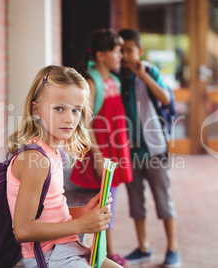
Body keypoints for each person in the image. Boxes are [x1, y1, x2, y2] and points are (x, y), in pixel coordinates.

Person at [6, 65, 122, 268]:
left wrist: (84, 212)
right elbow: (23, 230)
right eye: (59, 108)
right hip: (48, 257)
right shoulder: (36, 159)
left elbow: (49, 212)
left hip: (65, 248)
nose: (70, 118)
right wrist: (80, 225)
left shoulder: (52, 152)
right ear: (36, 110)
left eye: (76, 110)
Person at [69, 29, 133, 267]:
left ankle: (106, 252)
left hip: (115, 150)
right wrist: (96, 156)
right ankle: (102, 254)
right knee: (102, 203)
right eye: (116, 51)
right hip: (101, 153)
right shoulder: (91, 83)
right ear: (100, 55)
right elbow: (85, 123)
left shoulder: (114, 81)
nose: (120, 56)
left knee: (110, 201)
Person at [118, 28, 181, 267]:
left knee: (163, 198)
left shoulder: (148, 71)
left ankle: (173, 248)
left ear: (139, 51)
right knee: (136, 202)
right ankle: (144, 247)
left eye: (129, 50)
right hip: (129, 151)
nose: (124, 55)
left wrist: (143, 75)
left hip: (154, 148)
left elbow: (165, 98)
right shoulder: (116, 76)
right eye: (121, 51)